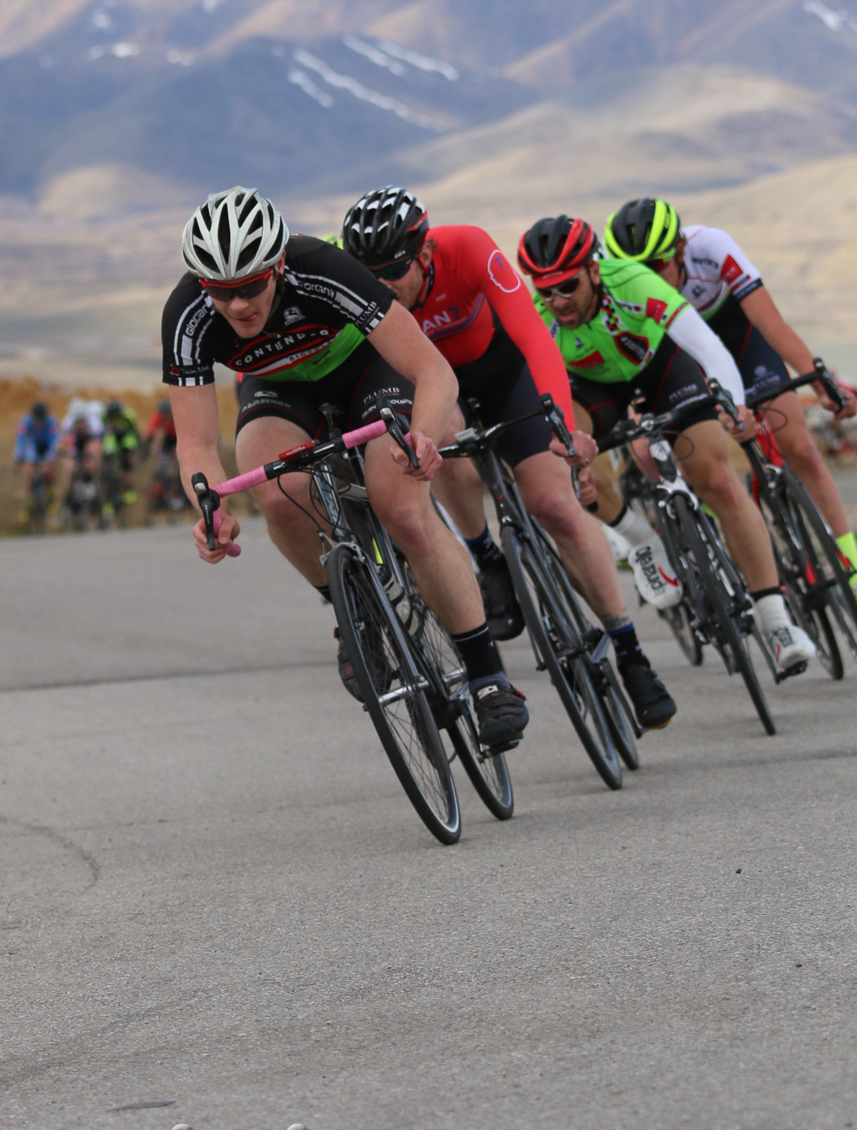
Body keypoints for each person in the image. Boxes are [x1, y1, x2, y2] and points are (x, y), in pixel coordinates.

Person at [163, 186, 529, 751]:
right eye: (220, 292)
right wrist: (210, 509)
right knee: (278, 491)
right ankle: (351, 611)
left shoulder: (323, 269)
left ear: (278, 265)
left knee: (403, 506)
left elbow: (433, 372)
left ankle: (487, 676)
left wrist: (423, 438)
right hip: (281, 392)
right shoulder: (185, 316)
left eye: (251, 287)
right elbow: (195, 446)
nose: (237, 306)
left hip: (369, 371)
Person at [342, 189, 676, 730]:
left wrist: (564, 427)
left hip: (504, 372)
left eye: (394, 269)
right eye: (369, 273)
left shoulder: (469, 248)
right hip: (432, 387)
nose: (381, 285)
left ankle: (629, 647)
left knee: (555, 505)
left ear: (425, 254)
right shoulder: (365, 291)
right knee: (438, 440)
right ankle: (486, 556)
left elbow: (534, 338)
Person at [518, 216, 815, 677]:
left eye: (567, 287)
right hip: (595, 388)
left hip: (663, 368)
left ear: (594, 271)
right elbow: (545, 394)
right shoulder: (539, 316)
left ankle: (776, 623)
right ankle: (641, 541)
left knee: (716, 479)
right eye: (546, 291)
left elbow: (706, 345)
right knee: (569, 459)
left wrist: (733, 404)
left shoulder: (632, 282)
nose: (557, 302)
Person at [605, 198, 857, 593]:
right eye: (636, 270)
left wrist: (819, 381)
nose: (646, 276)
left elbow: (770, 323)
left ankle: (851, 563)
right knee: (667, 453)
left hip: (740, 335)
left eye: (655, 265)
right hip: (678, 355)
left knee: (799, 446)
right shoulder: (619, 283)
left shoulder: (712, 247)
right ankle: (714, 526)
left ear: (680, 250)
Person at [13, 400, 61, 504]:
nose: (39, 423)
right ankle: (28, 498)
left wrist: (51, 458)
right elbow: (21, 440)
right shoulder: (26, 422)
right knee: (29, 470)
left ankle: (51, 494)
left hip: (47, 446)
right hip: (33, 447)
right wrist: (18, 458)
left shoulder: (52, 422)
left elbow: (54, 441)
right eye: (36, 420)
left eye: (41, 420)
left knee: (48, 471)